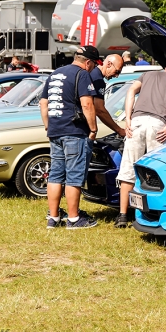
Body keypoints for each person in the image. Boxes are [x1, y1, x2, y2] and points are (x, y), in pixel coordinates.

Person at [117, 58, 166, 228]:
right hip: (158, 125)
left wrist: (127, 119)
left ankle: (122, 216)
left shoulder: (147, 75)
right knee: (155, 170)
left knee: (128, 168)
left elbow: (131, 92)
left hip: (137, 122)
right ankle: (153, 213)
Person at [42, 45, 100, 229]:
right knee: (74, 176)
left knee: (56, 175)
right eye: (93, 65)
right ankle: (74, 219)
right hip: (74, 132)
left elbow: (44, 103)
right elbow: (87, 104)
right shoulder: (82, 74)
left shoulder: (55, 74)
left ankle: (54, 217)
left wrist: (48, 126)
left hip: (55, 130)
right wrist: (93, 128)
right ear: (88, 62)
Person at [90, 54, 125, 136]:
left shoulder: (91, 73)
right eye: (117, 71)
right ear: (109, 64)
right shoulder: (98, 80)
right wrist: (119, 130)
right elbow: (99, 110)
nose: (116, 76)